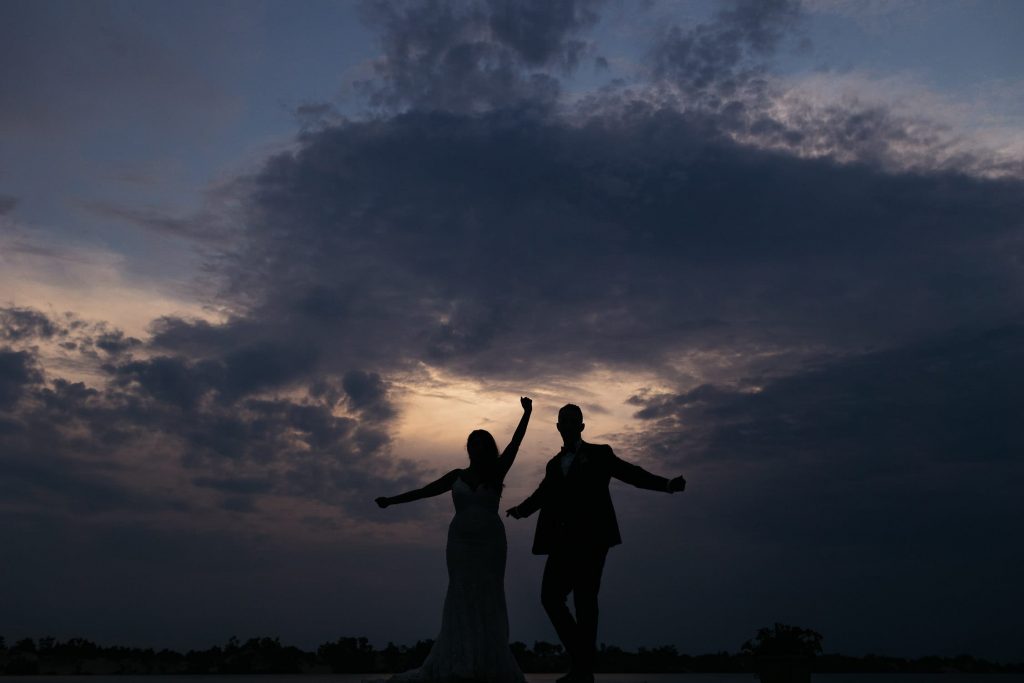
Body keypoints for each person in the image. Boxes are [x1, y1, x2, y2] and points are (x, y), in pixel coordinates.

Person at [506, 403, 686, 683]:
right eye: (563, 421)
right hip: (562, 543)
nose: (568, 425)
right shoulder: (554, 464)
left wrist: (666, 485)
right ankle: (583, 659)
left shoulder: (600, 454)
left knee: (585, 601)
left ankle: (582, 670)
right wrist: (520, 510)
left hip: (592, 541)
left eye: (573, 421)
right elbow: (543, 494)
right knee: (550, 597)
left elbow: (631, 473)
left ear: (581, 426)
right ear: (558, 427)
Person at [376, 396, 533, 683]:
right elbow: (425, 491)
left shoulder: (497, 472)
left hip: (490, 544)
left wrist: (527, 413)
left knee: (488, 594)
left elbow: (515, 444)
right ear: (468, 448)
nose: (476, 448)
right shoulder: (456, 476)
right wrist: (391, 501)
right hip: (460, 544)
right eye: (472, 443)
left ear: (488, 448)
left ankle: (487, 660)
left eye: (481, 444)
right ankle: (460, 659)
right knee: (460, 594)